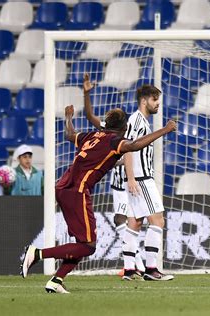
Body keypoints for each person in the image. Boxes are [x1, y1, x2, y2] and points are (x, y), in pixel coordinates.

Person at [20, 104, 177, 293]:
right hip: (77, 191)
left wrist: (68, 117)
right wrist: (165, 130)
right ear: (124, 127)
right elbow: (135, 145)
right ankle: (37, 254)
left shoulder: (92, 135)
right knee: (88, 246)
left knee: (82, 243)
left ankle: (56, 280)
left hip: (64, 187)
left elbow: (70, 135)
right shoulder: (114, 141)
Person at [82, 74, 146, 279]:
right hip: (117, 183)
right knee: (120, 218)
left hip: (131, 180)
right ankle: (136, 263)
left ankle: (138, 263)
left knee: (134, 220)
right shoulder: (110, 131)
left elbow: (132, 152)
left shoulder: (132, 132)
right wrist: (86, 94)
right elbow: (90, 117)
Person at [122, 83, 173, 281]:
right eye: (154, 100)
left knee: (135, 223)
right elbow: (128, 147)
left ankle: (128, 270)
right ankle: (151, 269)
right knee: (158, 220)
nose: (157, 104)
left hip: (138, 178)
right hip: (141, 178)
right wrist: (132, 178)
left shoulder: (141, 120)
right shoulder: (137, 120)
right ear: (144, 101)